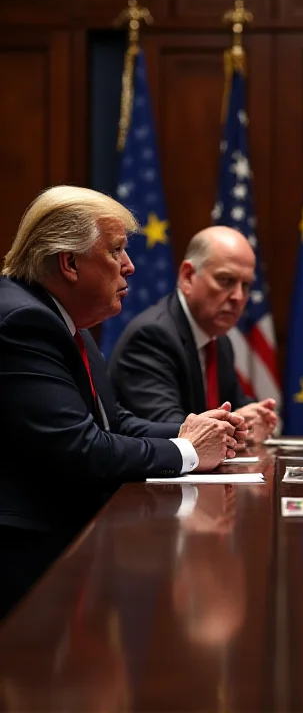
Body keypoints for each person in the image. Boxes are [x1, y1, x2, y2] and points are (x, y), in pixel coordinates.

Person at [0, 186, 247, 618]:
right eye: (116, 251)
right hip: (25, 553)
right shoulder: (25, 322)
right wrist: (187, 450)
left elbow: (113, 422)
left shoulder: (66, 322)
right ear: (69, 263)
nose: (130, 267)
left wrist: (199, 429)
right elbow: (81, 448)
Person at [109, 226, 277, 442]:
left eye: (246, 286)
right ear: (188, 277)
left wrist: (253, 418)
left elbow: (235, 405)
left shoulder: (219, 340)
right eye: (226, 280)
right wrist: (234, 423)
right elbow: (172, 429)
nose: (238, 296)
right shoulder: (152, 336)